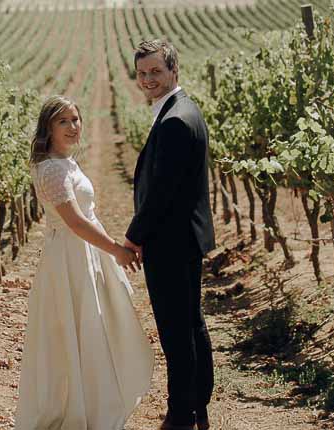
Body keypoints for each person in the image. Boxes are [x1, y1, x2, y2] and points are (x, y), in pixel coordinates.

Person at [14, 96, 153, 430]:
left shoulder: (66, 163)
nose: (73, 126)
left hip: (83, 254)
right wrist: (116, 250)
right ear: (48, 127)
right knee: (78, 328)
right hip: (68, 259)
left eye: (76, 119)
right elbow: (75, 222)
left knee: (93, 325)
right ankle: (77, 410)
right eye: (64, 121)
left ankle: (93, 401)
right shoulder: (50, 169)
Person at [124, 40, 217, 430]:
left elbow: (162, 192)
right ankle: (197, 409)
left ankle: (181, 416)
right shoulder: (179, 111)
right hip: (180, 239)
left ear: (173, 71)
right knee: (190, 324)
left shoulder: (177, 119)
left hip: (172, 241)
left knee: (178, 333)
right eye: (143, 73)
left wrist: (133, 237)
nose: (148, 80)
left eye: (155, 72)